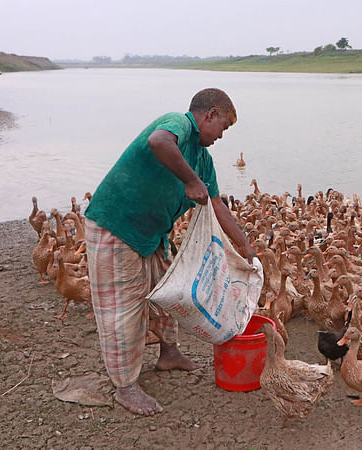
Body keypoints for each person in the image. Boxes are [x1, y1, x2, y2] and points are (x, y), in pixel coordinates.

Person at [83, 88, 256, 416]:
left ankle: (169, 353)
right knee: (123, 307)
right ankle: (126, 386)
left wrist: (245, 248)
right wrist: (190, 182)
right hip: (116, 224)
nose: (222, 135)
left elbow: (217, 203)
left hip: (151, 234)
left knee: (168, 292)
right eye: (223, 126)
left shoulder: (203, 159)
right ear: (209, 115)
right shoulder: (177, 124)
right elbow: (158, 143)